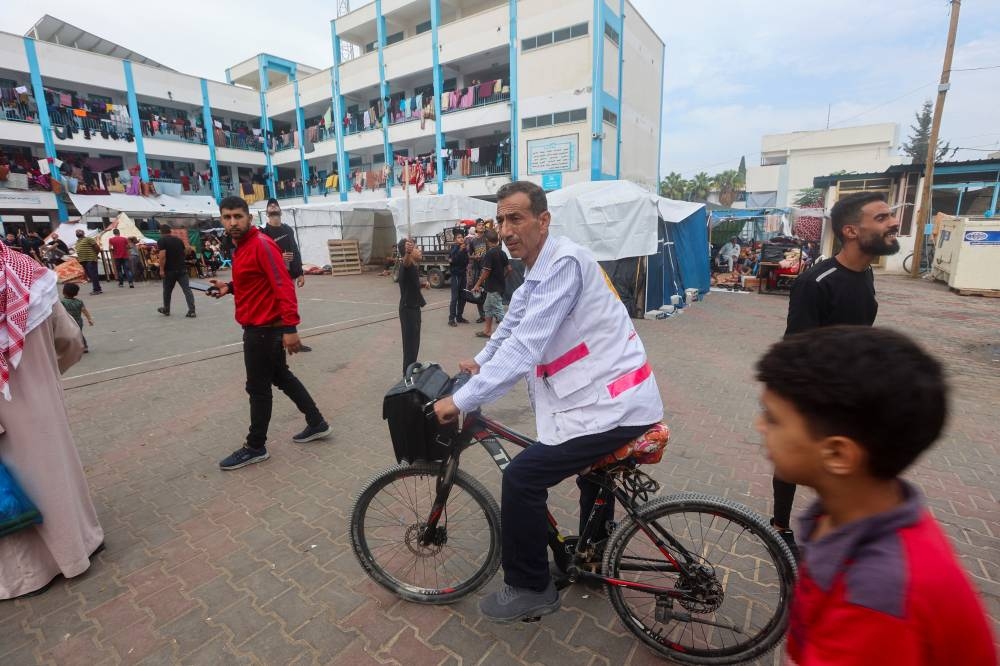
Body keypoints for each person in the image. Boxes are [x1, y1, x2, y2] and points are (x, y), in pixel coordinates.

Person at [433, 181, 663, 622]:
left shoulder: (563, 263)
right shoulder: (535, 272)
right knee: (592, 477)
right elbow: (511, 327)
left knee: (522, 479)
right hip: (607, 400)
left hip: (614, 406)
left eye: (515, 218)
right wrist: (478, 364)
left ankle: (530, 586)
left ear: (543, 221)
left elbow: (526, 347)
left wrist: (463, 401)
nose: (505, 229)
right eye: (500, 219)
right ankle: (594, 560)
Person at [754, 327, 995, 665]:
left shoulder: (878, 597)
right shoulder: (849, 514)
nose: (760, 426)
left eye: (773, 419)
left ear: (838, 455)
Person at [771, 191, 900, 554]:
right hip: (814, 392)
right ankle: (780, 528)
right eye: (881, 218)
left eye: (890, 216)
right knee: (796, 461)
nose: (893, 222)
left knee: (846, 466)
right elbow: (795, 348)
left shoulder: (866, 276)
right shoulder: (816, 282)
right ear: (851, 231)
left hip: (851, 390)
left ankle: (839, 529)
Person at [0, 242, 103, 599]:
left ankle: (29, 576)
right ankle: (80, 546)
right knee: (58, 476)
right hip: (46, 405)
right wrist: (47, 379)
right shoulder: (28, 274)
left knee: (11, 489)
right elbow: (71, 340)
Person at [208, 196, 331, 471]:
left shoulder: (261, 245)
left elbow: (283, 285)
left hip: (263, 331)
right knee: (282, 377)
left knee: (258, 388)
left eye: (238, 216)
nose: (232, 222)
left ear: (249, 218)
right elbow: (253, 282)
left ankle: (255, 446)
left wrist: (291, 328)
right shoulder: (241, 247)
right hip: (259, 327)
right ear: (221, 220)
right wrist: (229, 288)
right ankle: (317, 422)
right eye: (227, 217)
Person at [260, 199, 311, 352]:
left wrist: (300, 272)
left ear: (281, 211)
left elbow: (295, 250)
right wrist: (278, 258)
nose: (273, 206)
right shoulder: (262, 231)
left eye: (275, 205)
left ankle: (293, 339)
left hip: (289, 276)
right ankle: (277, 342)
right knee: (274, 308)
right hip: (271, 278)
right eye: (270, 205)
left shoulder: (288, 229)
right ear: (267, 212)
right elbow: (261, 254)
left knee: (289, 307)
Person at [470, 229, 510, 338]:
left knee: (499, 310)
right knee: (487, 308)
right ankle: (487, 331)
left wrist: (477, 284)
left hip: (493, 287)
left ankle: (508, 335)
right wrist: (502, 277)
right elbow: (509, 269)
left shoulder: (490, 254)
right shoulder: (502, 253)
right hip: (498, 286)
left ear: (487, 241)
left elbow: (486, 272)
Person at [397, 238, 427, 374]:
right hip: (408, 311)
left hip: (413, 309)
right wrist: (408, 254)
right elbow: (406, 264)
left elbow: (410, 280)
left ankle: (410, 372)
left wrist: (422, 283)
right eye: (416, 248)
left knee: (414, 346)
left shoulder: (413, 267)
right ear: (408, 251)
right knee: (410, 347)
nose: (419, 250)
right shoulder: (406, 264)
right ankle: (406, 378)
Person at [156, 224, 196, 318]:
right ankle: (192, 310)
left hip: (169, 270)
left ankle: (166, 309)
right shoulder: (178, 240)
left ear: (161, 232)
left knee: (167, 291)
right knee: (187, 290)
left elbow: (162, 256)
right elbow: (185, 252)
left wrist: (161, 269)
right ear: (170, 231)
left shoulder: (162, 240)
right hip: (182, 269)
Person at [60, 282, 93, 353]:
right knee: (79, 333)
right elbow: (84, 311)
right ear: (76, 293)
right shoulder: (79, 301)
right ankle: (85, 347)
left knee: (69, 335)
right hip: (78, 321)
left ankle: (71, 348)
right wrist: (89, 319)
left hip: (68, 322)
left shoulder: (62, 302)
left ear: (63, 292)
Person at [447, 229, 469, 327]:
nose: (461, 239)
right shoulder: (454, 248)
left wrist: (464, 251)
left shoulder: (464, 248)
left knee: (463, 297)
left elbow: (466, 261)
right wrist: (460, 250)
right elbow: (453, 260)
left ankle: (459, 316)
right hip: (456, 275)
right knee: (455, 297)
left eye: (462, 237)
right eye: (459, 237)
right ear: (455, 240)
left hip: (463, 274)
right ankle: (451, 319)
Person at [74, 228, 103, 295]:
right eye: (77, 231)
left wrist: (95, 255)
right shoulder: (77, 241)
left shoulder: (89, 239)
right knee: (90, 275)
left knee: (93, 274)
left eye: (80, 231)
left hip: (90, 259)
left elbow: (97, 248)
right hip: (83, 260)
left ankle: (97, 289)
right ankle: (98, 288)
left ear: (83, 233)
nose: (78, 232)